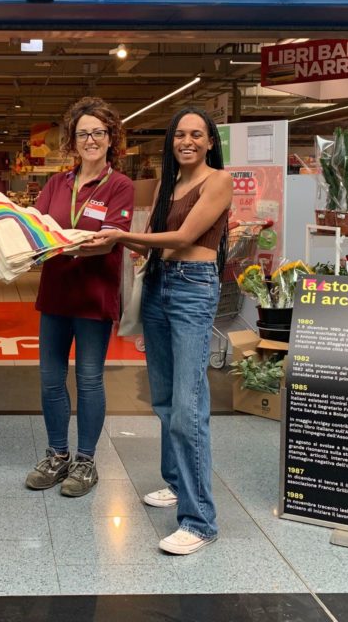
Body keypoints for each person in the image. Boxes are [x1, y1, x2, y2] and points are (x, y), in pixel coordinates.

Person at [87, 107, 231, 555]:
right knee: (165, 399)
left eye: (196, 134)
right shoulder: (170, 185)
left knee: (189, 407)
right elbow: (153, 243)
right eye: (180, 134)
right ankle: (177, 483)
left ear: (210, 142)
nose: (187, 141)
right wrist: (114, 240)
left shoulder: (218, 181)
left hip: (192, 289)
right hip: (159, 286)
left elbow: (184, 238)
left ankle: (200, 520)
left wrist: (118, 236)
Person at [24, 97, 133, 497]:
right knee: (50, 378)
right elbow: (35, 227)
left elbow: (108, 241)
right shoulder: (57, 184)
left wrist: (60, 244)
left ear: (111, 138)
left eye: (98, 133)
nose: (90, 140)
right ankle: (57, 455)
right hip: (55, 295)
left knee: (89, 379)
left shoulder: (120, 186)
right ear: (72, 140)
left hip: (93, 297)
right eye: (83, 133)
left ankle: (86, 461)